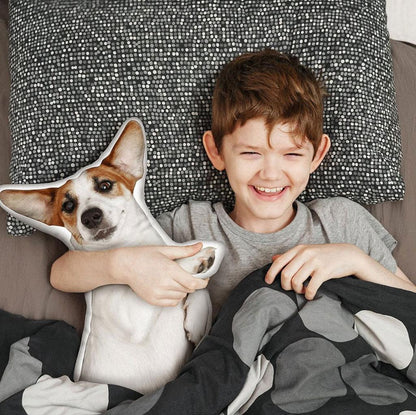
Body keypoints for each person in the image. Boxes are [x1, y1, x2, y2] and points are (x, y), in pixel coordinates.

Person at [50, 49, 415, 321]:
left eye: (291, 155)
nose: (271, 175)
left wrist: (354, 260)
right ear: (217, 152)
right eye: (251, 153)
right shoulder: (189, 227)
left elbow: (410, 305)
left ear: (317, 155)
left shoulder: (342, 222)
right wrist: (124, 267)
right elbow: (62, 274)